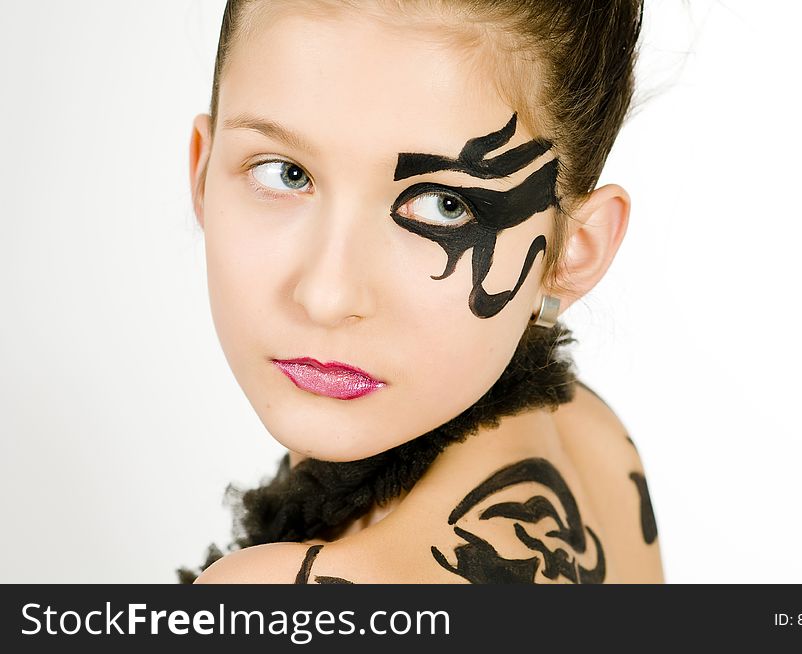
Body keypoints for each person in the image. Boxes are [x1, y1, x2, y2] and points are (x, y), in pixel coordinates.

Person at [181, 0, 663, 584]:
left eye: (445, 205)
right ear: (203, 173)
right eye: (284, 173)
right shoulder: (593, 440)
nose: (326, 296)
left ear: (575, 249)